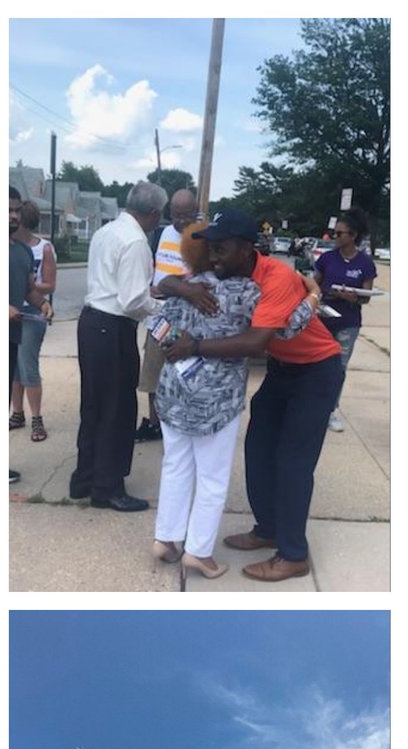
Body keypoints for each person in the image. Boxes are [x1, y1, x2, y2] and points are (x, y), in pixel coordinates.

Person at [161, 208, 343, 582]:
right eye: (210, 249)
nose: (212, 258)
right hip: (283, 369)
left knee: (293, 461)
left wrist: (195, 344)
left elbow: (257, 341)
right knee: (258, 448)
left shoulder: (276, 277)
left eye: (220, 249)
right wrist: (181, 286)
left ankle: (293, 554)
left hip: (316, 370)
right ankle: (268, 528)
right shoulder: (224, 274)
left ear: (248, 248)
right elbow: (162, 286)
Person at [71, 181, 167, 512]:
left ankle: (84, 477)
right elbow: (131, 301)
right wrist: (158, 305)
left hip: (91, 324)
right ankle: (107, 487)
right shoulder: (137, 242)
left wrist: (142, 295)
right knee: (118, 409)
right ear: (154, 213)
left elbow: (114, 284)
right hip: (113, 329)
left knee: (94, 406)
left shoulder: (106, 232)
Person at [136, 188, 200, 442]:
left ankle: (181, 423)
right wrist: (149, 284)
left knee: (185, 372)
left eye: (186, 215)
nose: (181, 220)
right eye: (176, 214)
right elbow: (149, 264)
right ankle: (155, 423)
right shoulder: (161, 234)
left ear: (195, 212)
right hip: (158, 318)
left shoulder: (202, 237)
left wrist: (178, 285)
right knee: (154, 373)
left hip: (187, 319)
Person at [313, 208, 377, 432]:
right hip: (323, 318)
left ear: (353, 235)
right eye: (335, 232)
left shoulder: (365, 263)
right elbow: (314, 286)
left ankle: (330, 410)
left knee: (338, 367)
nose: (335, 237)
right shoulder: (327, 258)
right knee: (317, 365)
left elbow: (366, 298)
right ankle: (313, 405)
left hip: (348, 321)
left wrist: (354, 297)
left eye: (340, 233)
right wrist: (324, 293)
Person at [10, 200, 57, 442]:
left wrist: (37, 296)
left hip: (31, 314)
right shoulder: (12, 247)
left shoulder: (41, 249)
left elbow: (49, 284)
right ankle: (17, 414)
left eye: (18, 217)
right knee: (15, 368)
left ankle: (37, 419)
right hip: (12, 313)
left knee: (28, 366)